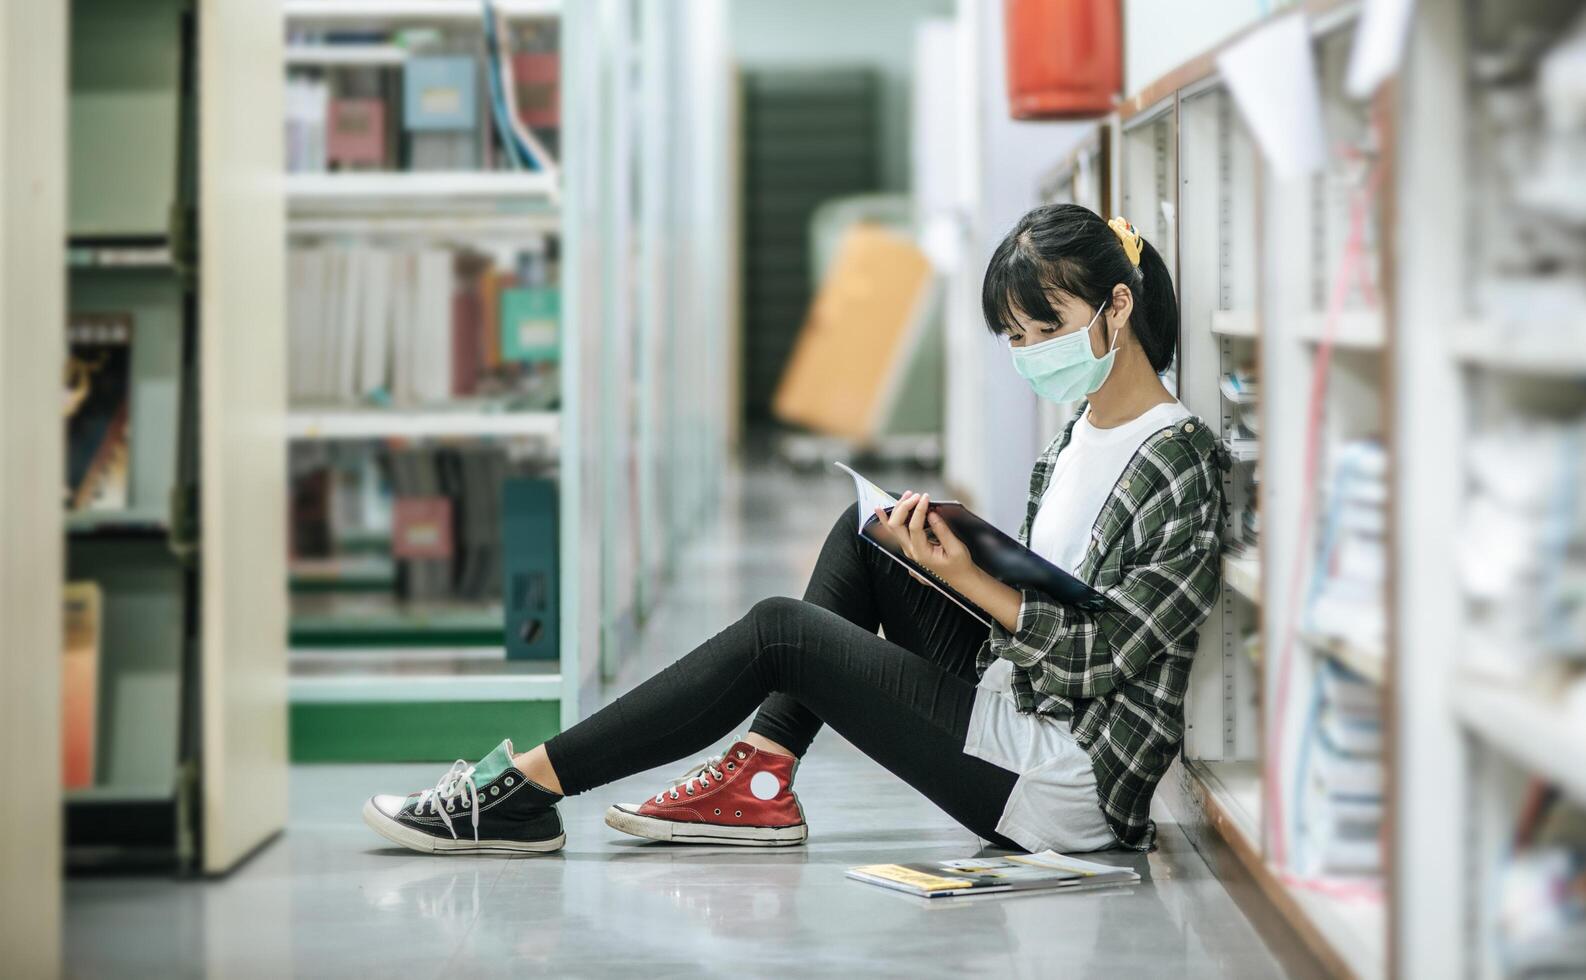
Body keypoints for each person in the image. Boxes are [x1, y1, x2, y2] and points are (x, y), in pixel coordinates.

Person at [361, 203, 1225, 856]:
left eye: (1050, 330)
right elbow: (1050, 592)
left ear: (1118, 308)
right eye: (1016, 336)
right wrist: (947, 553)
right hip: (1016, 698)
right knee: (865, 534)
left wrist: (963, 577)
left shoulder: (1181, 461)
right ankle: (765, 773)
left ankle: (519, 792)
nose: (1033, 352)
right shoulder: (1077, 432)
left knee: (783, 630)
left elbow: (1096, 656)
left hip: (1068, 782)